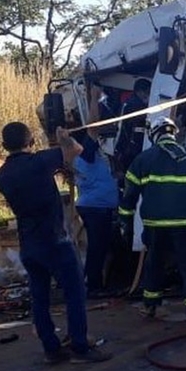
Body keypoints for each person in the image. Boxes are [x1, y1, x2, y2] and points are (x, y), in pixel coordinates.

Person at [0, 122, 112, 364]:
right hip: (55, 240)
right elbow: (77, 150)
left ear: (6, 145)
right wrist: (63, 137)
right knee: (75, 291)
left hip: (29, 243)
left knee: (40, 297)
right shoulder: (39, 162)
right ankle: (80, 346)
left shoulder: (3, 175)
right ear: (30, 142)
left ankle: (52, 349)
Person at [118, 116, 186, 328]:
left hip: (155, 225)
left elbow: (129, 195)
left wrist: (125, 223)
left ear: (154, 134)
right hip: (185, 224)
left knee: (154, 264)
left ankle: (150, 306)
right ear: (174, 133)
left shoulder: (143, 160)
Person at [73, 126, 120, 298]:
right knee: (97, 247)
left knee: (100, 246)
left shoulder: (88, 158)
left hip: (96, 206)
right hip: (96, 207)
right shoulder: (86, 154)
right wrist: (93, 98)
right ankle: (94, 286)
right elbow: (92, 129)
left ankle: (93, 282)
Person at [114, 78, 151, 178]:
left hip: (125, 151)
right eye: (147, 92)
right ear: (140, 91)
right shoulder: (135, 105)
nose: (148, 96)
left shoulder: (127, 104)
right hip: (130, 151)